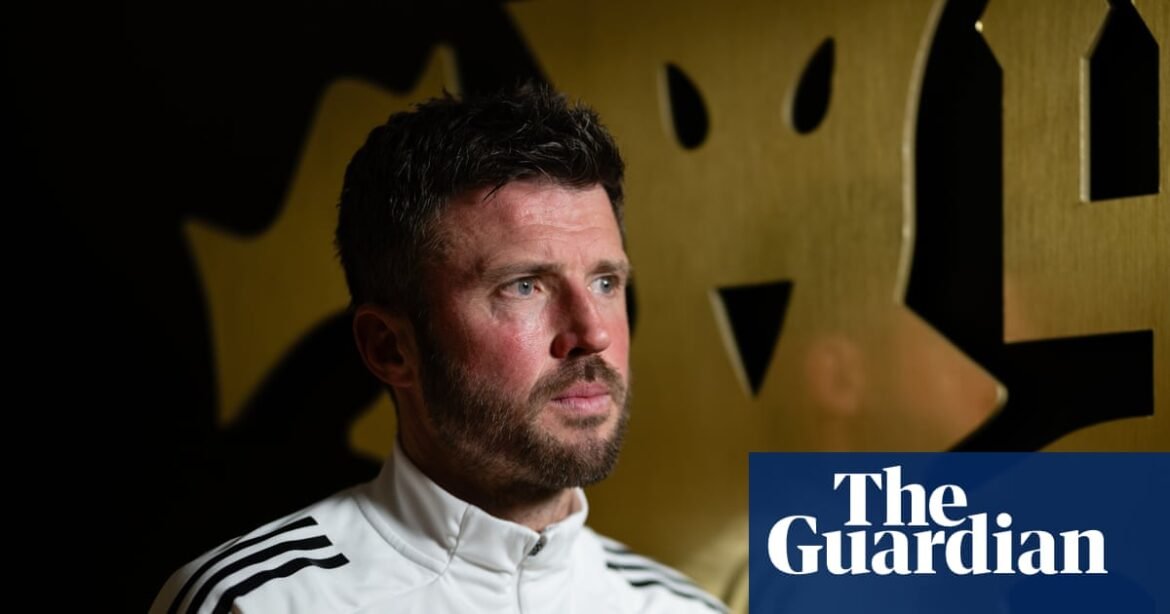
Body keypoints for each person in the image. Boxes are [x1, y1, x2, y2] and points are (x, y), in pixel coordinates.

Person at [151, 84, 727, 614]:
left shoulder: (687, 610)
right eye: (524, 286)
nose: (593, 333)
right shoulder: (253, 603)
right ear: (389, 349)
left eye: (605, 282)